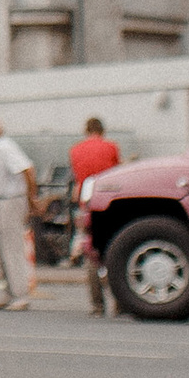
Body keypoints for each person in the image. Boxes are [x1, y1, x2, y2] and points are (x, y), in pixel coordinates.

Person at [0, 119, 39, 310]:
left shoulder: (5, 147)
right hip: (2, 201)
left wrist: (31, 198)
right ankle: (10, 293)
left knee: (12, 248)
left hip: (11, 200)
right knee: (3, 248)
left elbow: (27, 169)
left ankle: (20, 295)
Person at [69, 115, 120, 316]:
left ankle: (97, 305)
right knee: (114, 251)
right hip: (109, 202)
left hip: (86, 203)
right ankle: (118, 303)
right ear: (102, 130)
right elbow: (117, 172)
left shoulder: (75, 150)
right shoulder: (111, 147)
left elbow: (77, 179)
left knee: (91, 252)